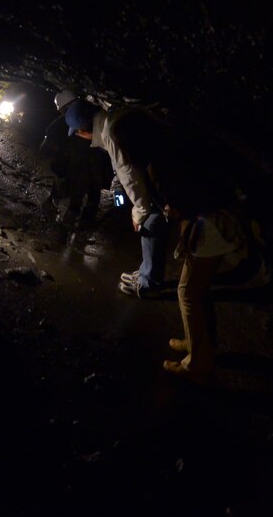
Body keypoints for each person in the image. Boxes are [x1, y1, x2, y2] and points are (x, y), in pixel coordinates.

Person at [110, 110, 256, 382]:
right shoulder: (171, 147)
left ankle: (198, 362)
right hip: (215, 218)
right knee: (197, 291)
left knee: (188, 293)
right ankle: (196, 342)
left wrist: (173, 211)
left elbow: (186, 201)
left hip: (212, 225)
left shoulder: (160, 166)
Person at [65, 99, 169, 298]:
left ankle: (149, 283)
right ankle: (147, 271)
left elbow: (130, 175)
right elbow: (120, 171)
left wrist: (139, 211)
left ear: (82, 131)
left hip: (161, 178)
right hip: (156, 171)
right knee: (143, 213)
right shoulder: (111, 118)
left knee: (150, 222)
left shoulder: (110, 135)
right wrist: (119, 197)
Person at [39, 90, 110, 229]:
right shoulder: (91, 113)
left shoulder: (69, 123)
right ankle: (80, 219)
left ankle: (74, 218)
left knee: (83, 187)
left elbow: (47, 149)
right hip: (92, 163)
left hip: (86, 163)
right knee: (91, 190)